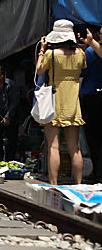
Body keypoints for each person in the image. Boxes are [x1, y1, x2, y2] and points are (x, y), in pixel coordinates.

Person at [36, 19, 85, 185]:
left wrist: (42, 51)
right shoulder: (81, 54)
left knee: (53, 147)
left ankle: (53, 183)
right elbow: (82, 69)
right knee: (75, 148)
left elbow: (39, 70)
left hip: (54, 103)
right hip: (73, 103)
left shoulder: (51, 54)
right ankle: (78, 184)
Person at [78, 26, 102, 181]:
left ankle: (97, 171)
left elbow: (82, 71)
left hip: (90, 96)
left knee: (93, 137)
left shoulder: (90, 52)